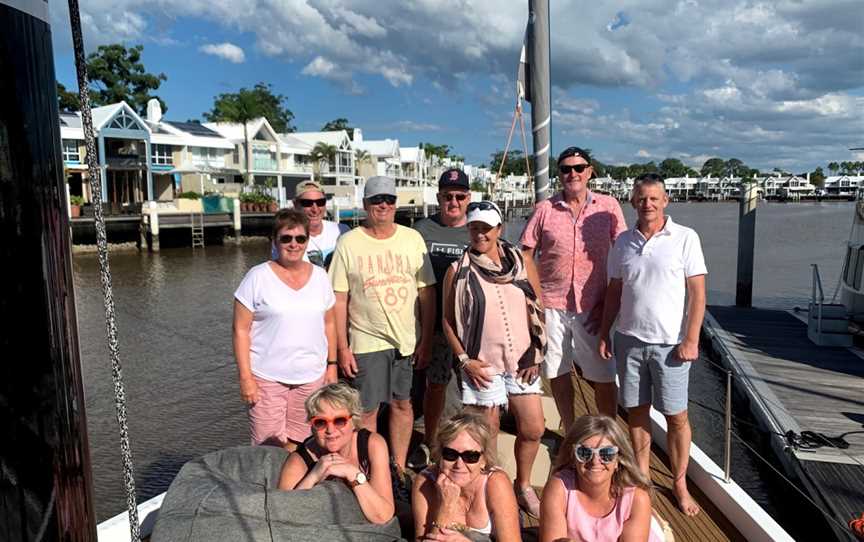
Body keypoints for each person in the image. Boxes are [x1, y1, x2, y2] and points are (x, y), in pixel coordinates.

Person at [598, 173, 707, 516]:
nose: (647, 204)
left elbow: (698, 293)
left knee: (676, 416)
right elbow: (614, 291)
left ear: (666, 201)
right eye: (642, 198)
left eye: (654, 199)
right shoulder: (623, 242)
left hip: (670, 346)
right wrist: (604, 332)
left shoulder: (686, 238)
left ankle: (679, 482)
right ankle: (642, 475)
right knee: (636, 412)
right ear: (633, 202)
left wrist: (691, 339)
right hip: (629, 339)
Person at [442, 201, 546, 518]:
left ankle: (523, 485)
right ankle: (489, 490)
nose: (480, 233)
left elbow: (538, 306)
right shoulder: (457, 270)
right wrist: (464, 360)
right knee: (485, 435)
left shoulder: (522, 261)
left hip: (522, 360)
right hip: (482, 364)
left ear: (499, 229)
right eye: (474, 227)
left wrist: (538, 353)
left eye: (486, 227)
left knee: (533, 428)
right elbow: (448, 320)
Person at [329, 175, 437, 472]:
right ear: (365, 204)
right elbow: (339, 298)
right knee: (367, 411)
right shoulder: (348, 243)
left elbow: (427, 292)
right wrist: (342, 348)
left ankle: (398, 467)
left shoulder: (412, 238)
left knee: (404, 406)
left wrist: (425, 340)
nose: (383, 205)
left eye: (389, 199)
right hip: (366, 340)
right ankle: (371, 470)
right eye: (377, 200)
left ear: (395, 204)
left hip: (406, 340)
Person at [520, 147, 627, 428]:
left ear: (590, 171)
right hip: (551, 304)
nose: (573, 174)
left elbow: (624, 254)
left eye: (579, 168)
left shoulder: (609, 207)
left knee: (603, 374)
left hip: (594, 305)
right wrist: (536, 298)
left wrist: (612, 302)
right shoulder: (545, 209)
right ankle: (569, 429)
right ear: (559, 174)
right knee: (557, 370)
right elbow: (525, 254)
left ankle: (609, 432)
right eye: (566, 169)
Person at [233, 209, 338, 449]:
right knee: (268, 445)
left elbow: (329, 323)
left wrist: (331, 366)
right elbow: (240, 330)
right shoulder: (257, 277)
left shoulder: (321, 277)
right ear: (274, 241)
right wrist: (245, 377)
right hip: (267, 377)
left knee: (302, 442)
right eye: (286, 238)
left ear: (307, 242)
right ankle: (268, 486)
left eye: (300, 238)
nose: (294, 244)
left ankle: (293, 486)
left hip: (311, 376)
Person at [412, 168, 472, 463]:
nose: (454, 201)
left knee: (471, 388)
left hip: (469, 329)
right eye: (448, 196)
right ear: (439, 197)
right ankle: (430, 441)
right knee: (436, 385)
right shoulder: (422, 230)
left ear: (468, 198)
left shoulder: (477, 229)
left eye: (460, 196)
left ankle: (468, 442)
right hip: (435, 325)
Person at [278, 383, 395, 525]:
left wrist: (353, 474)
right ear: (312, 426)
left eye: (340, 421)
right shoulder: (299, 460)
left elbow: (383, 516)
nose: (330, 430)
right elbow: (282, 516)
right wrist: (314, 476)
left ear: (354, 421)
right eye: (320, 422)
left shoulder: (372, 444)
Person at [539, 415, 657, 542]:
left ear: (618, 460)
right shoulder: (558, 489)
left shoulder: (637, 500)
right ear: (573, 457)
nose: (595, 461)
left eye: (606, 453)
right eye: (584, 453)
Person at [412, 413, 521, 542]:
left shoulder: (496, 483)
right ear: (439, 455)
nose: (459, 464)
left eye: (470, 456)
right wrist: (445, 507)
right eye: (450, 454)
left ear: (484, 460)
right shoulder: (425, 482)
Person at [270, 180, 347, 267]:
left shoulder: (342, 230)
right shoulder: (286, 238)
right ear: (295, 205)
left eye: (320, 202)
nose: (315, 209)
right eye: (307, 203)